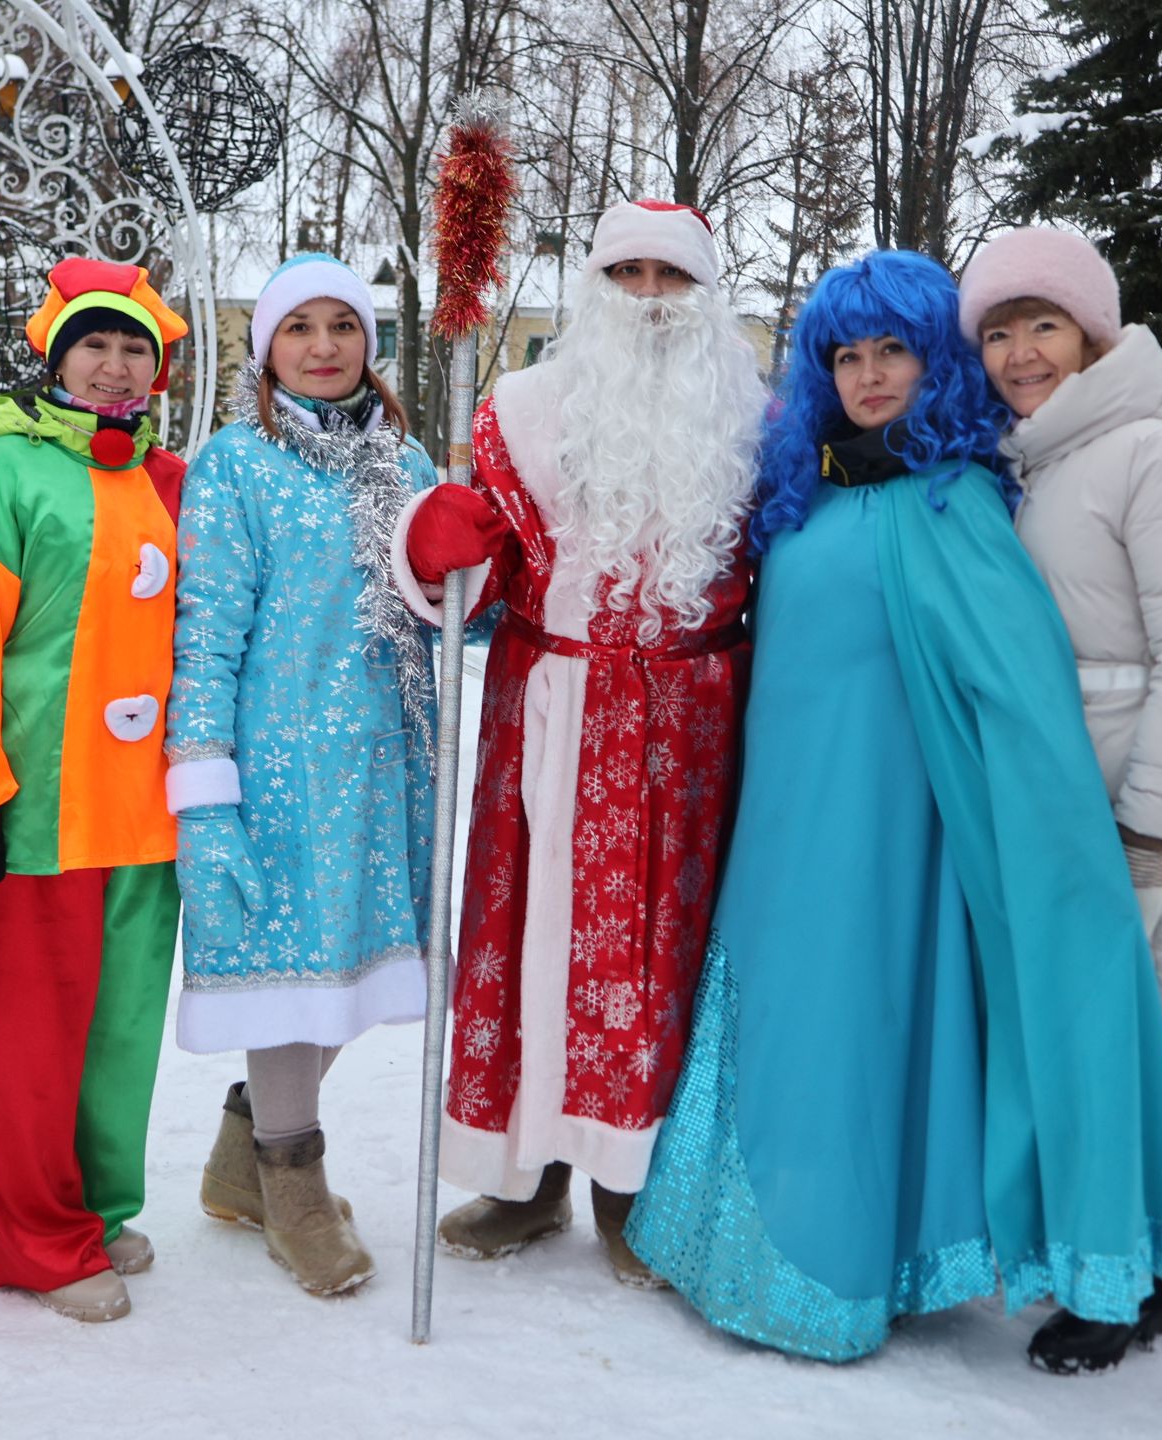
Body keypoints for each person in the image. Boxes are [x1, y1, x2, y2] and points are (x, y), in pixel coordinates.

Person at [624, 250, 1162, 1367]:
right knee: (779, 1017)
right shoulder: (804, 490)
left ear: (936, 360)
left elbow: (1021, 693)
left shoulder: (951, 501)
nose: (870, 375)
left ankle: (841, 1266)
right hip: (781, 823)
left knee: (854, 1028)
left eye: (894, 349)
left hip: (886, 837)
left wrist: (1082, 848)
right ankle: (735, 1235)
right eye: (846, 354)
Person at [390, 200, 766, 1284]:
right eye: (627, 273)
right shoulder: (519, 407)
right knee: (533, 939)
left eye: (673, 277)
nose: (649, 298)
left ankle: (632, 1184)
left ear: (706, 296)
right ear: (593, 289)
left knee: (659, 953)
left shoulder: (758, 423)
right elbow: (477, 575)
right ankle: (527, 1176)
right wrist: (437, 545)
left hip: (689, 726)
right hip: (549, 705)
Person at [959, 226, 1162, 1372]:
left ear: (1095, 333)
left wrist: (1149, 827)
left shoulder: (1155, 458)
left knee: (1138, 1038)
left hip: (1132, 793)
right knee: (1115, 1033)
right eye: (1000, 331)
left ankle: (1121, 1288)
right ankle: (1157, 1264)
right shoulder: (1048, 456)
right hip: (1065, 792)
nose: (1023, 353)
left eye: (1045, 326)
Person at [0, 257, 189, 1325]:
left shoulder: (168, 479)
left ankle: (96, 1206)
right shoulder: (1, 473)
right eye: (96, 344)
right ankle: (36, 1241)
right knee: (22, 1041)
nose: (116, 366)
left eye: (137, 349)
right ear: (56, 355)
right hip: (31, 810)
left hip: (144, 815)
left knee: (119, 1033)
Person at [166, 253, 435, 1296]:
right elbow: (208, 634)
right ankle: (291, 1178)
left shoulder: (407, 466)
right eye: (299, 327)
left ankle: (243, 1160)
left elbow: (446, 610)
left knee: (353, 973)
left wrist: (474, 568)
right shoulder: (236, 464)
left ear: (371, 343)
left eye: (343, 326)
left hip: (384, 759)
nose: (324, 346)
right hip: (277, 765)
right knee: (288, 977)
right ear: (265, 347)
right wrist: (208, 789)